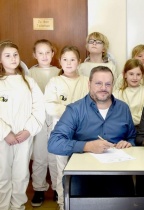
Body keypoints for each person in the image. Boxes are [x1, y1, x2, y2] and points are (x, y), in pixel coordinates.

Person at [48, 65, 136, 198]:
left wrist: (128, 143)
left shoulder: (123, 108)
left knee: (128, 201)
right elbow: (54, 143)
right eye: (98, 83)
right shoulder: (75, 110)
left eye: (108, 84)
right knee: (78, 199)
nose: (103, 88)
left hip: (117, 172)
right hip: (83, 173)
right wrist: (87, 146)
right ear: (89, 84)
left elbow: (133, 138)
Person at [0, 41, 45, 210]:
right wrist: (5, 133)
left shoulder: (29, 82)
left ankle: (17, 206)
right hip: (3, 138)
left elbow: (39, 109)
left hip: (23, 137)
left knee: (21, 175)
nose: (13, 58)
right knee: (2, 175)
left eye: (15, 54)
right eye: (7, 55)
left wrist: (28, 131)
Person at [44, 45, 89, 210]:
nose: (69, 63)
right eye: (65, 59)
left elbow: (92, 104)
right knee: (62, 168)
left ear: (79, 62)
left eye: (72, 60)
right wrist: (72, 111)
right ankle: (64, 204)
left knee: (83, 167)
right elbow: (50, 106)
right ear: (59, 61)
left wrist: (75, 113)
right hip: (61, 131)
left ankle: (82, 203)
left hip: (84, 131)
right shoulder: (55, 82)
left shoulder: (86, 81)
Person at [28, 39, 60, 207]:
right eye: (40, 53)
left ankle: (57, 187)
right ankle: (39, 189)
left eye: (48, 52)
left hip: (55, 117)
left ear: (53, 53)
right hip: (38, 118)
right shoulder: (29, 74)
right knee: (40, 156)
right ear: (34, 55)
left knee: (55, 154)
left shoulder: (59, 71)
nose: (44, 56)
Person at [113, 58, 144, 128]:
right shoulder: (116, 94)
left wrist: (127, 119)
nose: (135, 78)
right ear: (125, 75)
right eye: (131, 74)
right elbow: (115, 115)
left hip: (141, 129)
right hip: (121, 128)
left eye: (138, 74)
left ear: (142, 76)